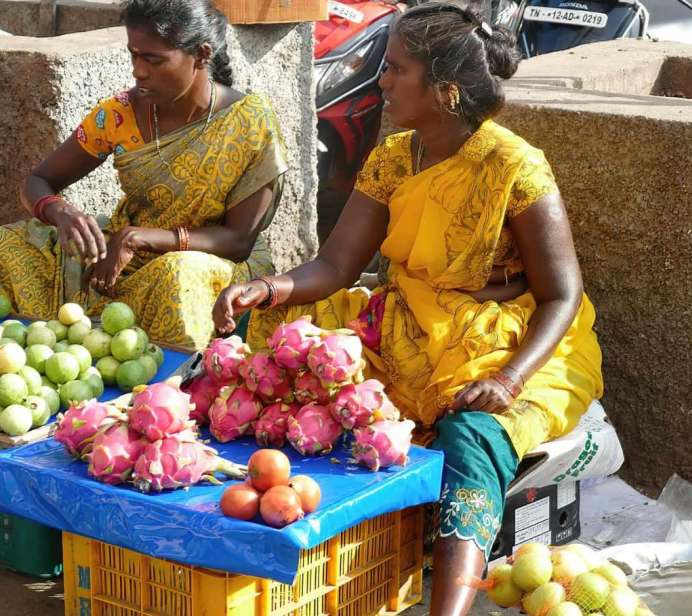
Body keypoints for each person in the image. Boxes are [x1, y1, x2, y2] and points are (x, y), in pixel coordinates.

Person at [212, 4, 603, 614]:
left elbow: (562, 294)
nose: (382, 82)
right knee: (266, 335)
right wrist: (267, 290)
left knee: (471, 434)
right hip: (407, 324)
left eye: (394, 69)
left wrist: (508, 380)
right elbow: (335, 268)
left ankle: (447, 606)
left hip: (509, 344)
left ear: (445, 90)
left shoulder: (515, 167)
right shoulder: (395, 156)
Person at [0, 0, 287, 349]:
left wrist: (141, 237)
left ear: (201, 55)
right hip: (121, 255)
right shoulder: (120, 114)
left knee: (177, 274)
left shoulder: (250, 123)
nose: (139, 71)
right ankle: (9, 361)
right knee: (7, 244)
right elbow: (38, 181)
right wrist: (60, 211)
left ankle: (165, 389)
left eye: (153, 60)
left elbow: (238, 241)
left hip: (209, 263)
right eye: (134, 55)